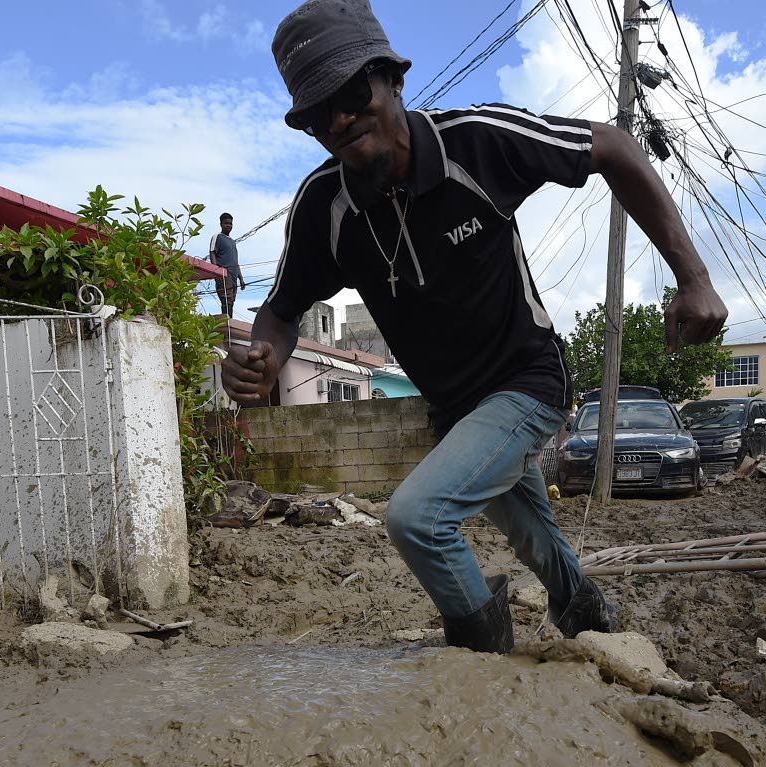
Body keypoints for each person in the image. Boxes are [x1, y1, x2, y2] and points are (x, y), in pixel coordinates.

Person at [221, 0, 727, 653]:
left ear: (392, 80)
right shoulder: (326, 206)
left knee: (418, 517)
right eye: (318, 115)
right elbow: (282, 310)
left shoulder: (477, 142)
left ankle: (482, 661)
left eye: (350, 93)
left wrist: (694, 280)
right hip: (457, 409)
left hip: (526, 380)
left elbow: (611, 146)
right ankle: (601, 634)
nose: (340, 119)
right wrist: (261, 351)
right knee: (537, 543)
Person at [209, 212, 246, 316]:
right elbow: (212, 252)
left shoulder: (233, 242)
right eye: (226, 223)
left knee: (231, 301)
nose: (229, 225)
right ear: (221, 224)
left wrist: (241, 279)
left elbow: (236, 262)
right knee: (226, 299)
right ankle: (227, 324)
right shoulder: (217, 236)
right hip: (224, 273)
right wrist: (216, 271)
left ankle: (230, 323)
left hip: (234, 275)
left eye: (230, 223)